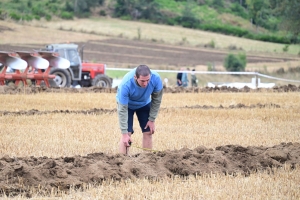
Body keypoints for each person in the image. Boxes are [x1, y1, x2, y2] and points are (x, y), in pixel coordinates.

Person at [116, 65, 163, 154]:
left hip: (144, 103)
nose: (145, 84)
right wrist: (124, 134)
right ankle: (122, 162)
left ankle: (147, 160)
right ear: (135, 77)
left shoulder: (156, 78)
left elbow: (157, 100)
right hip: (127, 106)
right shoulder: (126, 84)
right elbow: (122, 110)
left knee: (148, 131)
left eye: (147, 80)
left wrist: (152, 119)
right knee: (127, 134)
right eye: (142, 81)